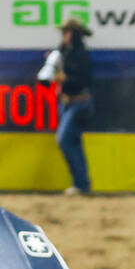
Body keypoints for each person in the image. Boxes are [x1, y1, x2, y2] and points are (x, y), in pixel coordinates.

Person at [53, 19, 93, 194]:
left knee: (64, 140)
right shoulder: (66, 53)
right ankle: (82, 184)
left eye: (67, 32)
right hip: (68, 103)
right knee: (73, 143)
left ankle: (81, 183)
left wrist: (65, 79)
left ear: (73, 34)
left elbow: (85, 81)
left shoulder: (80, 55)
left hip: (79, 103)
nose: (64, 36)